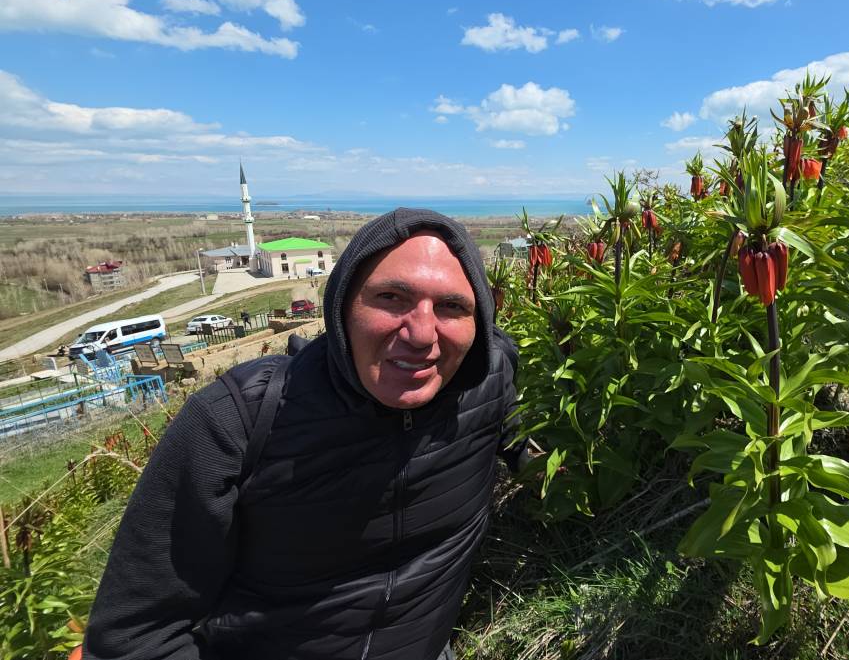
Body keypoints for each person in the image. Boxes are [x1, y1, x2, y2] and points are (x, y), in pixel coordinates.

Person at [83, 208, 528, 660]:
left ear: (480, 322)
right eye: (391, 297)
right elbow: (134, 638)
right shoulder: (237, 420)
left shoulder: (489, 378)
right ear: (342, 306)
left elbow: (528, 432)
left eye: (452, 306)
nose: (420, 333)